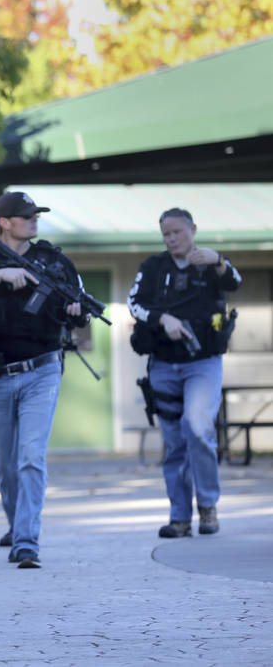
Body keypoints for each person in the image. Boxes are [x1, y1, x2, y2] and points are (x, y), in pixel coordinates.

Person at [0, 191, 89, 569]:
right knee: (5, 464)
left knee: (30, 458)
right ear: (4, 223)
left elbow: (81, 308)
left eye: (36, 215)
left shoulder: (54, 262)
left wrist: (77, 313)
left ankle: (27, 541)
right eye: (26, 216)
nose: (34, 221)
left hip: (42, 370)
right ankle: (16, 524)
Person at [127, 208, 241, 538]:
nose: (172, 238)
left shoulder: (211, 263)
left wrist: (217, 259)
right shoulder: (153, 266)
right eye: (166, 234)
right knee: (174, 443)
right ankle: (179, 516)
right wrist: (163, 319)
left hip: (203, 362)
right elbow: (134, 303)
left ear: (193, 228)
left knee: (197, 424)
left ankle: (207, 505)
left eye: (177, 231)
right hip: (163, 363)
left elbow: (235, 281)